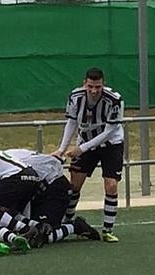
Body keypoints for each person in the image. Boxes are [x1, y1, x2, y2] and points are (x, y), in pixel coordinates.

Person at [0, 148, 100, 247]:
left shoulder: (8, 167)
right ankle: (31, 227)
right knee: (10, 215)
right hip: (39, 188)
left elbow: (51, 167)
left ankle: (74, 227)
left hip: (53, 186)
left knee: (42, 236)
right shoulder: (0, 164)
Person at [52, 67, 124, 243]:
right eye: (90, 86)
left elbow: (109, 132)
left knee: (111, 185)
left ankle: (107, 229)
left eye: (98, 87)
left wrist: (81, 149)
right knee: (74, 185)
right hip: (85, 141)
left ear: (103, 84)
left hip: (111, 144)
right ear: (84, 84)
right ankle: (66, 223)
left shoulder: (114, 100)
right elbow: (71, 122)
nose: (94, 91)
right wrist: (62, 149)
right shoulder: (75, 97)